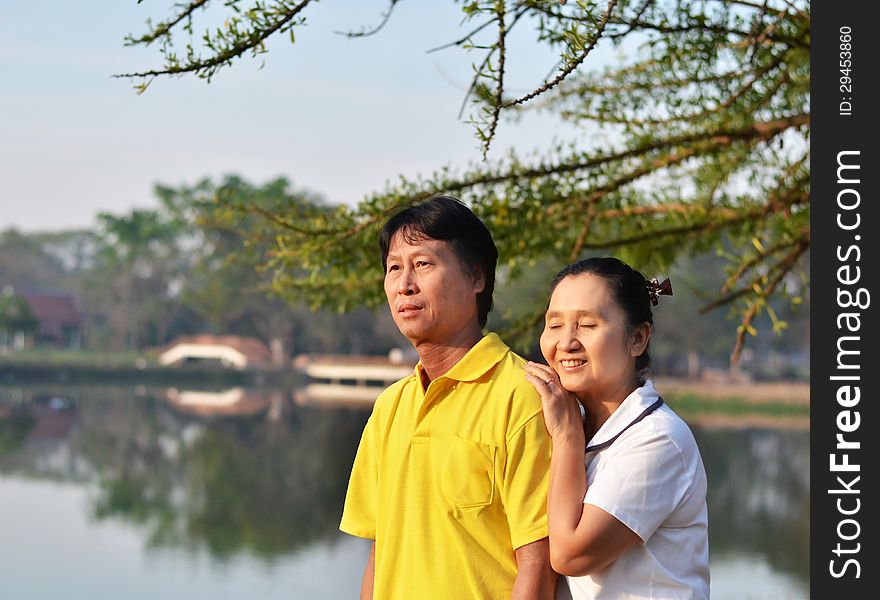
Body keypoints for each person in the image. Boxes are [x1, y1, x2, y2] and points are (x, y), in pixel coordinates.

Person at [340, 196, 556, 599]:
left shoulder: (522, 397)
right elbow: (379, 552)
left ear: (477, 278)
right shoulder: (391, 406)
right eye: (394, 268)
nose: (405, 284)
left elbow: (539, 564)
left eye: (423, 264)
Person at [523, 257, 710, 599]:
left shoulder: (658, 438)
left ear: (638, 338)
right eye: (554, 325)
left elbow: (570, 554)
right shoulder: (569, 420)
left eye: (588, 325)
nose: (566, 342)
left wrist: (566, 436)